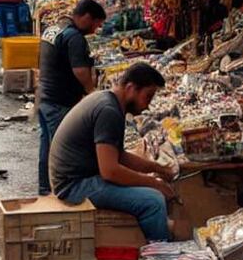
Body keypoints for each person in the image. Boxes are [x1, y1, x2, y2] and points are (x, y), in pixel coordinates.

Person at [50, 63, 175, 242]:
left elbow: (119, 155)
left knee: (150, 190)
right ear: (131, 88)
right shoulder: (108, 111)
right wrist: (153, 183)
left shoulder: (108, 102)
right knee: (153, 201)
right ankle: (161, 258)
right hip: (74, 186)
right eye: (147, 97)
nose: (147, 106)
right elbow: (109, 171)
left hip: (77, 179)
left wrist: (158, 168)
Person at [36, 0, 107, 195]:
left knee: (47, 146)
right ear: (86, 17)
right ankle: (60, 190)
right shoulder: (74, 37)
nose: (95, 30)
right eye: (96, 24)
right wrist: (92, 93)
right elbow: (80, 71)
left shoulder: (52, 29)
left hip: (45, 97)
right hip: (60, 102)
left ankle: (45, 188)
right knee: (61, 150)